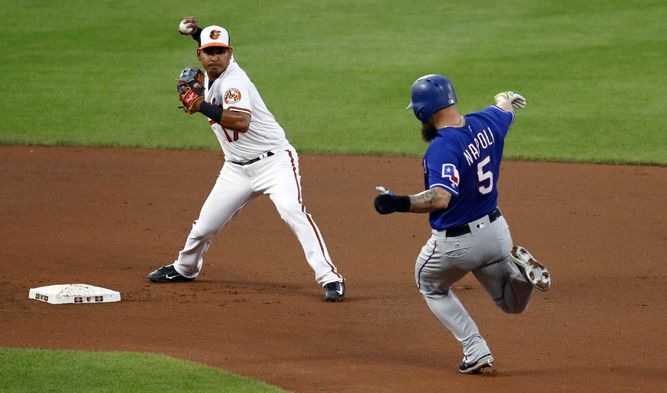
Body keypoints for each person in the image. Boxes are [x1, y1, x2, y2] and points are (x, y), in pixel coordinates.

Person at [148, 17, 346, 302]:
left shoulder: (234, 81)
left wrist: (200, 105)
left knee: (293, 211)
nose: (215, 57)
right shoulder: (212, 73)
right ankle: (185, 268)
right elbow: (208, 41)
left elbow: (240, 121)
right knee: (204, 226)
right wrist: (196, 32)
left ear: (231, 53)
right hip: (236, 170)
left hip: (274, 163)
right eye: (209, 51)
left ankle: (331, 278)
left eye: (221, 51)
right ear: (199, 54)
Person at [373, 74, 551, 373]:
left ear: (422, 112)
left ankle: (475, 349)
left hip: (457, 245)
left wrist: (397, 202)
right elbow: (505, 109)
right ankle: (520, 276)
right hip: (497, 233)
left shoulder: (443, 147)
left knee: (428, 283)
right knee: (511, 304)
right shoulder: (487, 122)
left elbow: (440, 198)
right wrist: (505, 97)